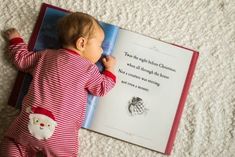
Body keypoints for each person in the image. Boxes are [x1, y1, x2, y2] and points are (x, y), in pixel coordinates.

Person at [0, 12, 116, 157]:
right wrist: (110, 69)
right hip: (60, 142)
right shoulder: (88, 69)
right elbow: (102, 88)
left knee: (12, 146)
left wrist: (16, 40)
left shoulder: (45, 55)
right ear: (82, 43)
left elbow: (22, 61)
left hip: (24, 131)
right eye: (99, 45)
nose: (102, 50)